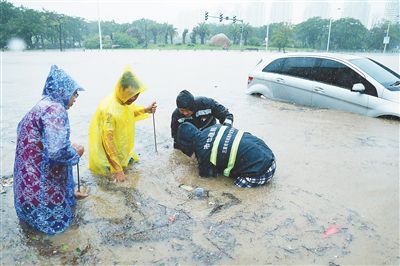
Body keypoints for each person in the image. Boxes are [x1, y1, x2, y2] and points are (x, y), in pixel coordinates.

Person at [13, 65, 86, 235]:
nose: (75, 99)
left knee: (33, 235)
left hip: (26, 190)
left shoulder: (41, 105)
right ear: (63, 91)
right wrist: (76, 153)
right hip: (42, 195)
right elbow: (56, 151)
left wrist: (69, 193)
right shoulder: (55, 109)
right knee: (60, 236)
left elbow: (40, 145)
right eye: (74, 93)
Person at [88, 66, 157, 183]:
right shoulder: (109, 110)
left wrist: (146, 109)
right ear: (121, 89)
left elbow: (128, 113)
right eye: (131, 95)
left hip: (120, 151)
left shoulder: (123, 100)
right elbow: (107, 142)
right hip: (105, 158)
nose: (133, 98)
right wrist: (118, 169)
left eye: (136, 95)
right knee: (111, 187)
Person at [176, 122, 276, 188]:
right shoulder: (214, 127)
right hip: (269, 155)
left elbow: (207, 180)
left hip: (263, 172)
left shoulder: (203, 154)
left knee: (232, 190)